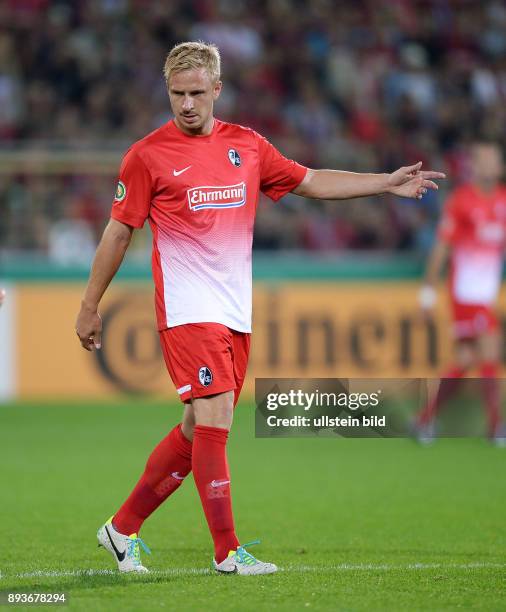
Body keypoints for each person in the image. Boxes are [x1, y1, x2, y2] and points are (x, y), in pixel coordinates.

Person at [75, 41, 445, 575]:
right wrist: (90, 305)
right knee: (217, 414)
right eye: (177, 93)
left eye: (197, 93)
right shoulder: (146, 155)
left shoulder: (246, 146)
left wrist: (384, 184)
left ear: (217, 90)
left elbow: (311, 180)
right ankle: (228, 551)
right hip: (186, 309)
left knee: (193, 429)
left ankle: (121, 528)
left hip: (233, 311)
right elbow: (116, 234)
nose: (186, 104)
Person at [416, 142, 506, 444]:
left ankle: (425, 420)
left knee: (467, 357)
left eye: (496, 159)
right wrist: (428, 291)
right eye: (486, 159)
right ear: (475, 166)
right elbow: (442, 248)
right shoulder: (462, 201)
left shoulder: (503, 200)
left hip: (486, 294)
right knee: (490, 350)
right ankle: (497, 428)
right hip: (466, 294)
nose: (493, 164)